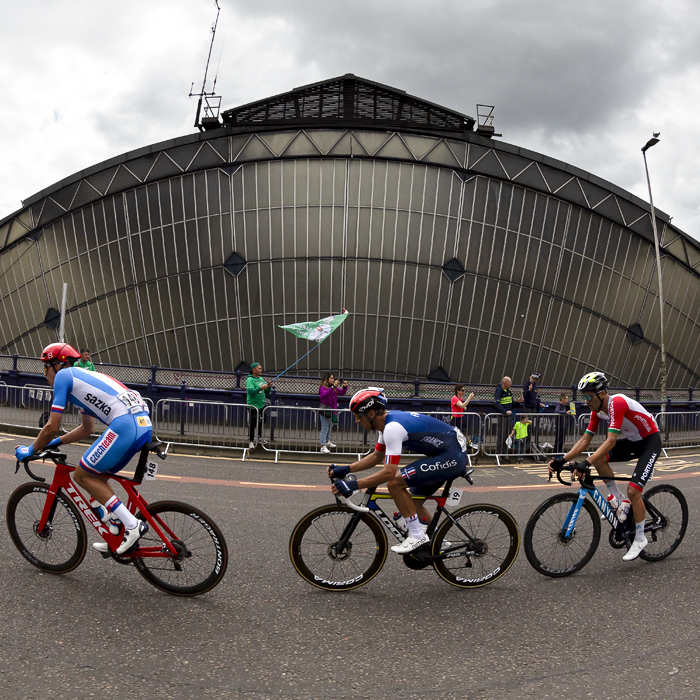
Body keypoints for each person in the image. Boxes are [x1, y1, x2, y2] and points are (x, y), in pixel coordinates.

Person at [15, 343, 153, 555]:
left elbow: (52, 426)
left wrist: (30, 450)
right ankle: (116, 531)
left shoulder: (63, 377)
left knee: (81, 475)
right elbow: (86, 429)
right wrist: (56, 443)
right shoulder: (81, 380)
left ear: (57, 365)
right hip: (142, 425)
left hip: (125, 425)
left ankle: (133, 526)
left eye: (45, 368)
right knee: (97, 479)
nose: (44, 375)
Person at [328, 388, 468, 554]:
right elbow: (376, 457)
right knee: (413, 502)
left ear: (371, 414)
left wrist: (353, 484)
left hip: (451, 456)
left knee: (394, 483)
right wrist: (346, 469)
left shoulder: (392, 428)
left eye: (358, 415)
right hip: (446, 454)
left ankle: (417, 536)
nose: (357, 421)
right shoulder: (386, 425)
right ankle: (438, 540)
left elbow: (388, 473)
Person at [548, 372, 662, 561]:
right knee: (599, 460)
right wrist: (562, 459)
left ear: (600, 393)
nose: (585, 401)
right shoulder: (597, 411)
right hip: (634, 441)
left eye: (587, 396)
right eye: (582, 397)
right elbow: (585, 439)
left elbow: (610, 441)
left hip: (650, 441)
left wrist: (586, 462)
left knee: (634, 492)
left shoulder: (616, 403)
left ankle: (640, 538)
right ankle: (617, 501)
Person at [319, 372, 348, 453]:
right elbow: (325, 394)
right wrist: (333, 387)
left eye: (333, 378)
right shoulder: (323, 388)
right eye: (331, 378)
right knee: (324, 428)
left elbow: (341, 392)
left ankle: (327, 442)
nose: (333, 380)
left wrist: (345, 387)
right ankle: (322, 446)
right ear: (327, 379)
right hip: (325, 410)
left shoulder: (334, 388)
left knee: (329, 427)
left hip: (332, 410)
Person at [246, 362, 273, 449]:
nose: (261, 370)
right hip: (253, 406)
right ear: (254, 370)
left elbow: (266, 392)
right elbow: (250, 392)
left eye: (261, 368)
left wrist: (269, 387)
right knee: (253, 424)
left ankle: (259, 437)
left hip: (261, 405)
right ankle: (251, 441)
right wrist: (260, 388)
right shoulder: (249, 380)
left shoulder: (261, 379)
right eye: (259, 368)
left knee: (262, 421)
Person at [494, 376, 520, 462]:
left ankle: (505, 454)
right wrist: (505, 412)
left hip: (508, 417)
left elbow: (512, 404)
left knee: (506, 436)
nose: (511, 384)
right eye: (510, 382)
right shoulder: (499, 391)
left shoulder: (509, 392)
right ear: (504, 383)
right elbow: (497, 404)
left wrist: (518, 402)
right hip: (502, 416)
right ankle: (498, 455)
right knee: (500, 436)